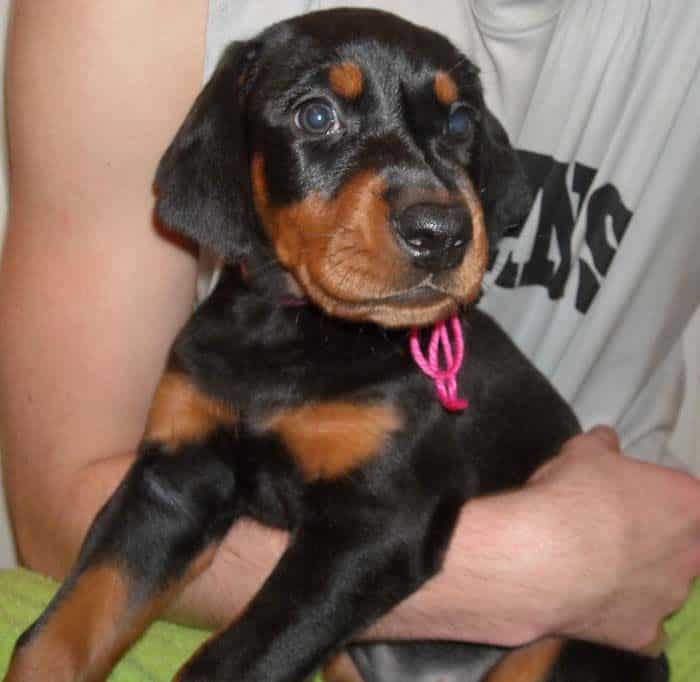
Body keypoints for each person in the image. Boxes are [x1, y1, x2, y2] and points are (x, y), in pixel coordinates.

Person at [0, 0, 698, 665]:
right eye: (317, 115)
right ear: (231, 167)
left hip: (569, 640)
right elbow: (156, 502)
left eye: (451, 132)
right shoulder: (208, 350)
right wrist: (531, 564)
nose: (433, 206)